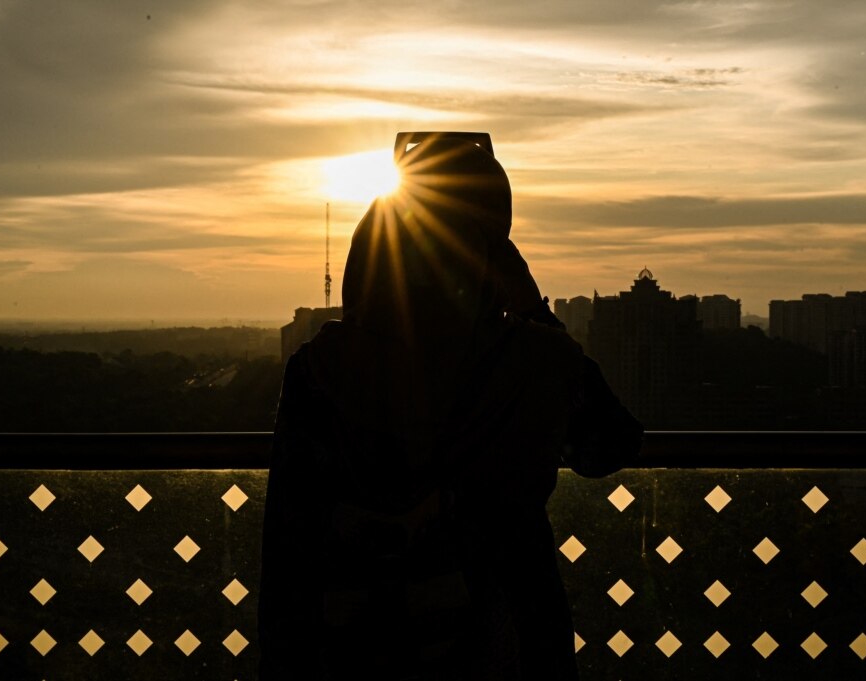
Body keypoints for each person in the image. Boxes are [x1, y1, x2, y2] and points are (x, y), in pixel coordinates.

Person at [258, 134, 643, 681]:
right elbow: (611, 443)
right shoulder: (535, 361)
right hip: (513, 638)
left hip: (360, 647)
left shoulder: (322, 370)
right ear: (492, 254)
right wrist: (532, 304)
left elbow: (288, 553)